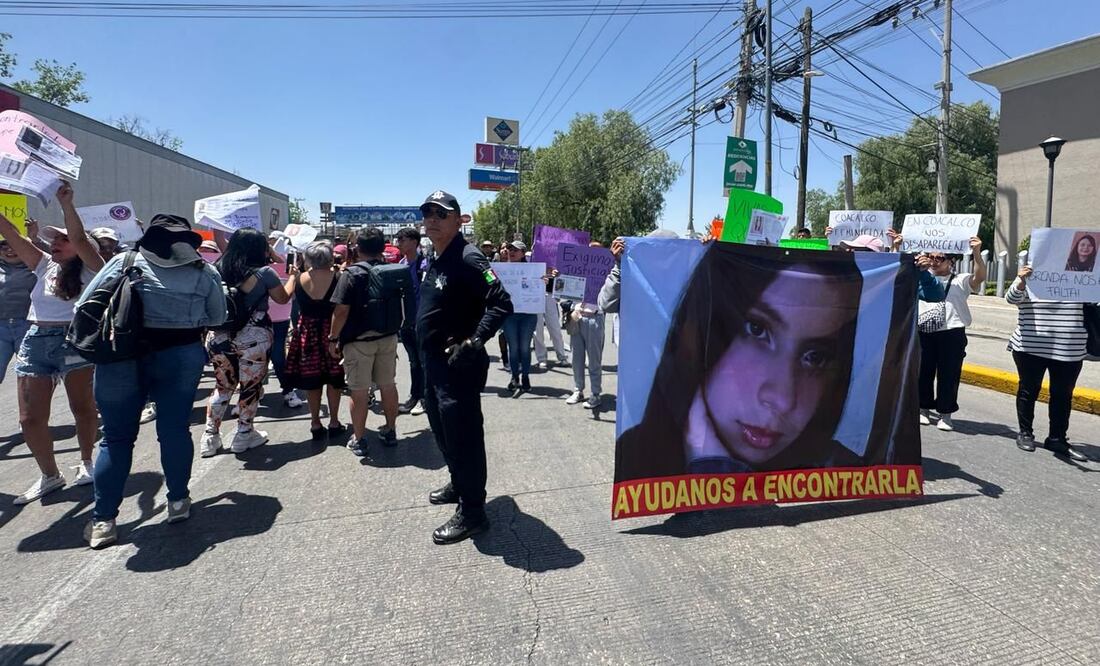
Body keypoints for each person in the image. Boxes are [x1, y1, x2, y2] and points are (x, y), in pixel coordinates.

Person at [615, 244, 917, 480]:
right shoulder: (638, 456)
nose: (782, 399)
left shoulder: (841, 472)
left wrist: (710, 460)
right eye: (757, 330)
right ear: (701, 333)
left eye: (815, 357)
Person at [79, 215, 227, 548]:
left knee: (116, 438)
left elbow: (85, 304)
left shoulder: (126, 261)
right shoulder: (204, 271)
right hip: (181, 354)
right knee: (174, 430)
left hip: (121, 356)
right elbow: (218, 317)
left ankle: (103, 521)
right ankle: (178, 502)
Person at [416, 190, 512, 544]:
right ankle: (459, 484)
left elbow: (501, 303)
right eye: (428, 213)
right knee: (443, 431)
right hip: (433, 364)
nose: (432, 219)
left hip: (458, 365)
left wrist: (474, 340)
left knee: (464, 437)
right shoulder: (436, 255)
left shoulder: (470, 258)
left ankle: (473, 512)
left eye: (441, 214)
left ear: (459, 220)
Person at [1, 182, 104, 504]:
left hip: (74, 340)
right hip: (36, 340)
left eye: (62, 239)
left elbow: (79, 238)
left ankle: (86, 461)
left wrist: (66, 204)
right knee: (29, 418)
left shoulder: (93, 267)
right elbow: (11, 234)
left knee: (83, 408)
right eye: (54, 239)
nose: (56, 243)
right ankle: (50, 475)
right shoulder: (44, 264)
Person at [201, 228, 290, 457]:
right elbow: (282, 298)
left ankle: (210, 437)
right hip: (254, 337)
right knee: (250, 387)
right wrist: (294, 279)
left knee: (222, 386)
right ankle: (244, 434)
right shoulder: (265, 273)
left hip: (219, 334)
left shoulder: (214, 269)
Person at [329, 227, 413, 453]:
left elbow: (341, 311)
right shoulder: (392, 270)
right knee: (388, 385)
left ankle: (359, 438)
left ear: (358, 248)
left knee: (358, 390)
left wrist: (333, 338)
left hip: (358, 341)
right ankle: (390, 429)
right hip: (388, 337)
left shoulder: (351, 274)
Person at [1006, 265, 1090, 461]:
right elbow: (1011, 298)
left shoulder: (1082, 277)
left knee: (1063, 395)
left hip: (1069, 348)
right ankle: (1025, 433)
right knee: (1028, 390)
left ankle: (1057, 438)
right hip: (1030, 346)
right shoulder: (1033, 274)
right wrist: (1022, 280)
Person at [917, 239, 987, 431]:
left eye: (939, 258)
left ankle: (945, 413)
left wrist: (977, 252)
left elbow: (979, 277)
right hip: (924, 331)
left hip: (952, 333)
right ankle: (923, 408)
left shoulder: (960, 280)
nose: (934, 261)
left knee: (949, 374)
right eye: (931, 257)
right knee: (923, 372)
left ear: (951, 262)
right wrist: (897, 246)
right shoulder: (920, 276)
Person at [284, 241, 345, 441]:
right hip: (332, 331)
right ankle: (334, 421)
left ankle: (315, 423)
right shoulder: (338, 277)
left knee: (312, 380)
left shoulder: (299, 278)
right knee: (334, 379)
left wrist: (292, 275)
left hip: (307, 332)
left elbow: (284, 296)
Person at [565, 242, 609, 410]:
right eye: (589, 251)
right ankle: (578, 390)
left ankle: (596, 393)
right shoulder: (577, 271)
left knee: (594, 360)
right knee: (576, 358)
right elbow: (564, 289)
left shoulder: (606, 274)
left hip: (594, 317)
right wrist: (558, 276)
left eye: (596, 252)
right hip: (577, 317)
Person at [267, 233, 304, 410]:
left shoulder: (275, 266)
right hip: (254, 321)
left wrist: (271, 250)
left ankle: (288, 391)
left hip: (278, 318)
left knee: (278, 357)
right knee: (253, 360)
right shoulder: (246, 267)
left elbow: (284, 296)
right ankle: (251, 394)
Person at [395, 227, 428, 416]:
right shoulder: (401, 264)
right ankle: (414, 396)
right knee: (414, 361)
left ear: (414, 242)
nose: (398, 243)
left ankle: (424, 398)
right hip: (405, 321)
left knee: (423, 362)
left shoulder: (424, 265)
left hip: (420, 321)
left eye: (402, 239)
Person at [499, 240, 538, 397]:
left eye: (516, 250)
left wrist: (545, 280)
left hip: (528, 315)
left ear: (523, 253)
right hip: (509, 315)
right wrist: (486, 277)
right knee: (513, 347)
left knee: (524, 347)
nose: (512, 252)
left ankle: (526, 377)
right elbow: (489, 281)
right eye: (510, 249)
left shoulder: (534, 270)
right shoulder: (501, 269)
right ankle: (514, 377)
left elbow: (546, 285)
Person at [0, 237, 36, 384]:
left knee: (29, 375)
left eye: (14, 245)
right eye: (3, 246)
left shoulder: (38, 267)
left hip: (27, 326)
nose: (10, 250)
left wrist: (34, 238)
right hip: (1, 327)